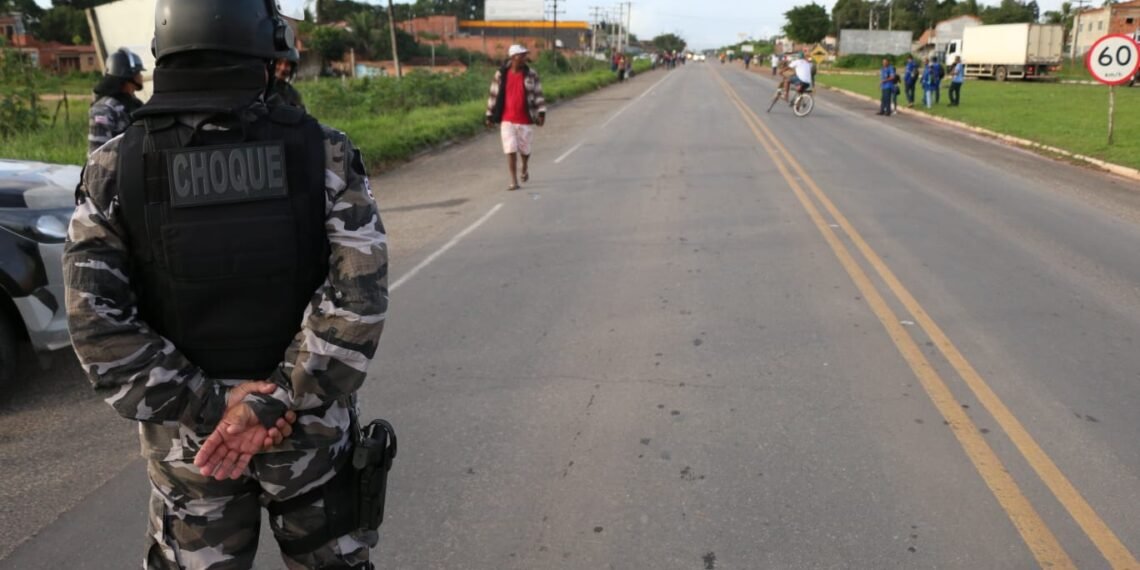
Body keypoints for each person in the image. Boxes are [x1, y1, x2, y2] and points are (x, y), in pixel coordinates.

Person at [63, 0, 389, 567]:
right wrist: (275, 401)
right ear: (264, 52)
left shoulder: (114, 168)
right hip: (307, 437)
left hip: (196, 451)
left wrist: (215, 406)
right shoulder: (323, 151)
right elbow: (357, 302)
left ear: (166, 48)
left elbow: (96, 327)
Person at [485, 44, 547, 192]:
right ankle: (513, 180)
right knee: (510, 148)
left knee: (525, 150)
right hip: (507, 119)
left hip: (525, 118)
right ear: (513, 58)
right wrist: (489, 114)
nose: (524, 58)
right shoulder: (501, 74)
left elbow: (538, 93)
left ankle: (524, 167)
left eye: (525, 55)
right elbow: (493, 94)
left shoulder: (531, 74)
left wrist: (541, 113)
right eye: (521, 55)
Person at [88, 47, 145, 156]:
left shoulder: (133, 103)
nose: (141, 76)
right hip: (114, 170)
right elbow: (98, 154)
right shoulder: (103, 109)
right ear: (128, 75)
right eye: (138, 72)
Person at [267, 40, 305, 111]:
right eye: (279, 63)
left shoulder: (293, 94)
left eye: (287, 64)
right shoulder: (261, 89)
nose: (283, 68)